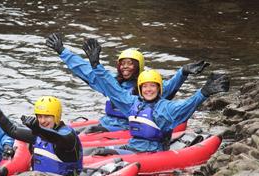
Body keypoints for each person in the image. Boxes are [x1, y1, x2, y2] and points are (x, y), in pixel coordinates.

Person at [75, 38, 229, 152]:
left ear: (159, 89)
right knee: (92, 151)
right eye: (145, 86)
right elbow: (111, 87)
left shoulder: (165, 108)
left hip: (152, 152)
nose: (149, 90)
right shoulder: (132, 103)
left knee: (99, 152)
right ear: (140, 89)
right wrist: (96, 65)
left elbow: (188, 105)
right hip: (133, 147)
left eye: (153, 86)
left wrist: (204, 92)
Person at [46, 33, 209, 133]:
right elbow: (86, 70)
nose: (125, 66)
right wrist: (62, 51)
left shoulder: (146, 88)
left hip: (125, 127)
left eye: (130, 63)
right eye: (122, 63)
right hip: (107, 122)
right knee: (71, 128)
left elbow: (168, 88)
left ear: (138, 67)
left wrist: (183, 72)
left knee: (88, 131)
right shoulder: (112, 82)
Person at [0, 83, 82, 176]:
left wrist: (38, 129)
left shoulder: (68, 137)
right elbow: (12, 130)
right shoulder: (38, 134)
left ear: (56, 117)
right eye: (39, 116)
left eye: (47, 116)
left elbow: (57, 138)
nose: (42, 121)